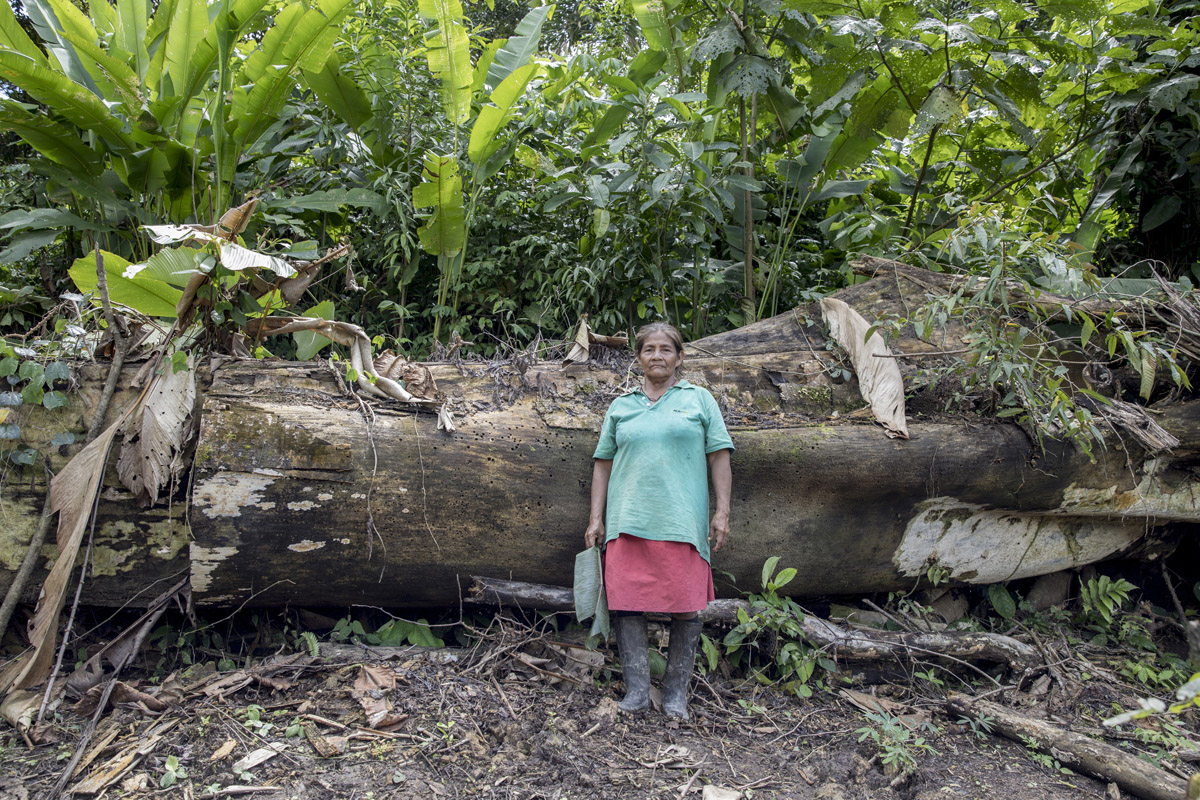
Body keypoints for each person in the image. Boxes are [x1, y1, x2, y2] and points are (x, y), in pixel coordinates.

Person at [584, 322, 734, 721]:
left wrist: (722, 512)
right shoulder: (622, 406)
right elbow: (602, 464)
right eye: (648, 349)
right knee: (627, 604)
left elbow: (719, 456)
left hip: (681, 522)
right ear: (638, 358)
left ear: (679, 357)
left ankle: (675, 697)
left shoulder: (699, 400)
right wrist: (596, 518)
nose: (657, 356)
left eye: (666, 349)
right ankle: (636, 692)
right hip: (627, 521)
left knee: (686, 606)